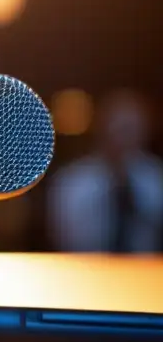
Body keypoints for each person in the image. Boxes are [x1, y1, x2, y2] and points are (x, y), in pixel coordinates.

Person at [47, 90, 163, 252]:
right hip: (86, 268)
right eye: (119, 127)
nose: (124, 137)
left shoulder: (156, 177)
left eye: (131, 127)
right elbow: (63, 235)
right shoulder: (72, 180)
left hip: (147, 270)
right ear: (103, 127)